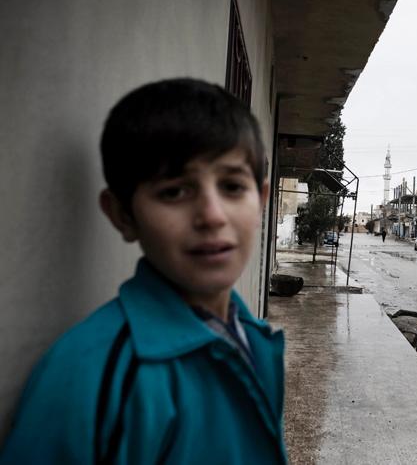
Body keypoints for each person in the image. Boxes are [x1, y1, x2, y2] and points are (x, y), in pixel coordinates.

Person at [0, 79, 287, 464]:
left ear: (261, 201)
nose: (213, 216)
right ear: (122, 215)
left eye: (232, 186)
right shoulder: (89, 376)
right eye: (173, 191)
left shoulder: (253, 336)